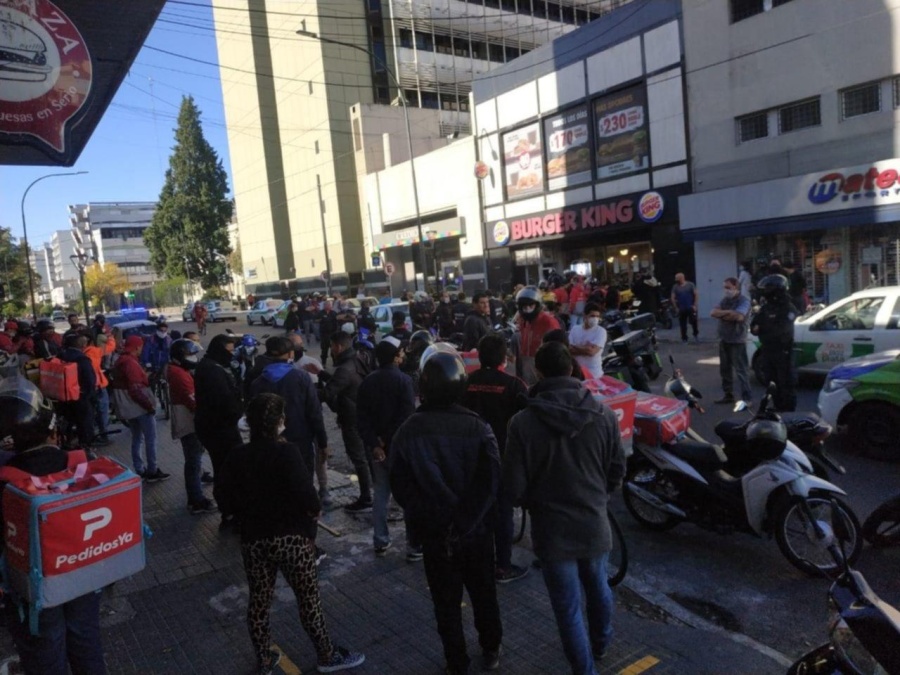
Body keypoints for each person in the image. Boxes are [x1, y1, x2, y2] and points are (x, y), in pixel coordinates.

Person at [217, 393, 365, 675]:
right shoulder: (287, 453)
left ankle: (263, 660)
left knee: (259, 601)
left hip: (254, 540)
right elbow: (308, 498)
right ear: (279, 421)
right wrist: (310, 515)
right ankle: (326, 654)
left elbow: (223, 498)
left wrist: (245, 512)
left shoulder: (238, 455)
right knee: (308, 598)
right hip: (291, 539)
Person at [504, 342, 626, 675]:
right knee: (599, 588)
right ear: (572, 370)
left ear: (537, 373)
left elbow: (513, 488)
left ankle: (585, 669)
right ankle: (601, 644)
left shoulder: (522, 423)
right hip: (594, 523)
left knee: (568, 608)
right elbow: (617, 470)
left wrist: (533, 500)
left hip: (552, 531)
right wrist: (598, 496)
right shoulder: (603, 415)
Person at [390, 351, 503, 675]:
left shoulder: (409, 430)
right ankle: (491, 648)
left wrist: (434, 518)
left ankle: (457, 661)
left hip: (435, 536)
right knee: (484, 596)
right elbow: (491, 482)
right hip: (476, 534)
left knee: (445, 604)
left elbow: (402, 487)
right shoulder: (478, 428)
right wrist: (466, 521)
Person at [0, 377, 107, 674]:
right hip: (82, 573)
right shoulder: (83, 462)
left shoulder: (6, 480)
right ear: (51, 431)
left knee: (44, 655)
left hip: (32, 590)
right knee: (87, 641)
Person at [462, 333, 528, 583]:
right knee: (503, 515)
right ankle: (502, 566)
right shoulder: (513, 385)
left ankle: (479, 561)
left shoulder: (466, 382)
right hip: (503, 460)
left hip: (472, 460)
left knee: (479, 511)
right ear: (504, 357)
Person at [356, 336, 418, 557]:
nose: (403, 355)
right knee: (409, 496)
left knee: (381, 494)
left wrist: (375, 443)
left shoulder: (368, 381)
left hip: (377, 450)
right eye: (401, 352)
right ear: (395, 356)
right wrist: (388, 440)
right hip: (399, 449)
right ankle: (414, 544)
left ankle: (380, 540)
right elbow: (406, 417)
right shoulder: (404, 382)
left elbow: (361, 418)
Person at [251, 336, 329, 494]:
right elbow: (314, 412)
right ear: (290, 354)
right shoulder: (301, 377)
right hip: (300, 439)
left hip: (269, 442)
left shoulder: (257, 382)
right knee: (302, 480)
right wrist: (322, 442)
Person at [306, 332, 372, 513]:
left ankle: (366, 497)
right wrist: (321, 373)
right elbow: (342, 382)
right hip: (359, 414)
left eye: (332, 346)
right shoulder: (355, 360)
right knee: (363, 457)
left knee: (359, 458)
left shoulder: (345, 368)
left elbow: (329, 393)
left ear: (338, 347)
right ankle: (369, 493)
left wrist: (304, 390)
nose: (331, 350)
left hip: (351, 418)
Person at [195, 334, 243, 529]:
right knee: (228, 471)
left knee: (224, 469)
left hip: (214, 427)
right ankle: (231, 513)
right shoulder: (212, 371)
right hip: (220, 429)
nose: (231, 356)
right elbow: (225, 402)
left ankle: (230, 511)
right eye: (229, 352)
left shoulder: (209, 366)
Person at [110, 335, 170, 481]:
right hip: (138, 407)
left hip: (128, 408)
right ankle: (152, 470)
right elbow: (136, 388)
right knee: (150, 439)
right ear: (137, 347)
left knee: (137, 438)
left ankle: (139, 468)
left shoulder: (120, 361)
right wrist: (149, 406)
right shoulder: (130, 363)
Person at [167, 338, 216, 514]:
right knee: (194, 462)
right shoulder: (179, 374)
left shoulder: (177, 370)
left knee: (193, 461)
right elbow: (192, 400)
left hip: (187, 420)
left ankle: (195, 498)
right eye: (190, 354)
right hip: (189, 422)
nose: (194, 358)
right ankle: (196, 500)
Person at [751, 274, 798, 412]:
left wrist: (762, 328)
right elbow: (754, 326)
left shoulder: (789, 308)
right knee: (771, 381)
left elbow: (781, 330)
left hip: (783, 352)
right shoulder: (766, 307)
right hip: (767, 350)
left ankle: (788, 410)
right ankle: (777, 406)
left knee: (786, 381)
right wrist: (759, 328)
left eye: (767, 288)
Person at [711, 277, 753, 406]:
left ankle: (747, 399)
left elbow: (739, 316)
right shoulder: (726, 300)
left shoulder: (744, 301)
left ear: (736, 287)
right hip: (724, 339)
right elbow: (713, 312)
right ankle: (728, 395)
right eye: (725, 287)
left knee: (741, 370)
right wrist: (729, 312)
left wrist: (723, 313)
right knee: (725, 370)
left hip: (737, 339)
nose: (726, 290)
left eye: (728, 287)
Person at [57, 332, 97, 448]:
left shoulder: (60, 356)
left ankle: (67, 442)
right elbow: (90, 379)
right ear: (82, 345)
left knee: (69, 421)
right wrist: (90, 395)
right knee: (85, 423)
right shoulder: (82, 359)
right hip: (80, 396)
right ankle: (86, 446)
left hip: (63, 396)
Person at [515, 286, 561, 386]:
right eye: (524, 306)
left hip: (542, 364)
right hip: (526, 361)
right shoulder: (525, 320)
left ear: (537, 305)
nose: (527, 309)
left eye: (530, 305)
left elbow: (557, 347)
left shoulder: (548, 321)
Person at [84, 329, 116, 445]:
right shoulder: (93, 351)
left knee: (92, 412)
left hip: (86, 387)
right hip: (98, 385)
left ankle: (93, 434)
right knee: (103, 410)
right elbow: (110, 348)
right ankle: (103, 435)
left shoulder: (78, 352)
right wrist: (110, 337)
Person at [568, 302, 607, 379]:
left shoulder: (601, 331)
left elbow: (592, 352)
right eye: (592, 316)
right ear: (585, 315)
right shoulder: (575, 329)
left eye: (597, 316)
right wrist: (586, 348)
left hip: (594, 374)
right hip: (577, 374)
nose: (595, 319)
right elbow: (569, 350)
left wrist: (575, 346)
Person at [671, 273, 699, 343]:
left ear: (682, 278)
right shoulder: (675, 287)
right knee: (682, 324)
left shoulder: (690, 285)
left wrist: (695, 305)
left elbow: (696, 295)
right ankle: (684, 338)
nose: (676, 280)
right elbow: (672, 297)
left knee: (694, 322)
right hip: (681, 308)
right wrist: (676, 307)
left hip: (690, 307)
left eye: (677, 278)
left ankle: (696, 335)